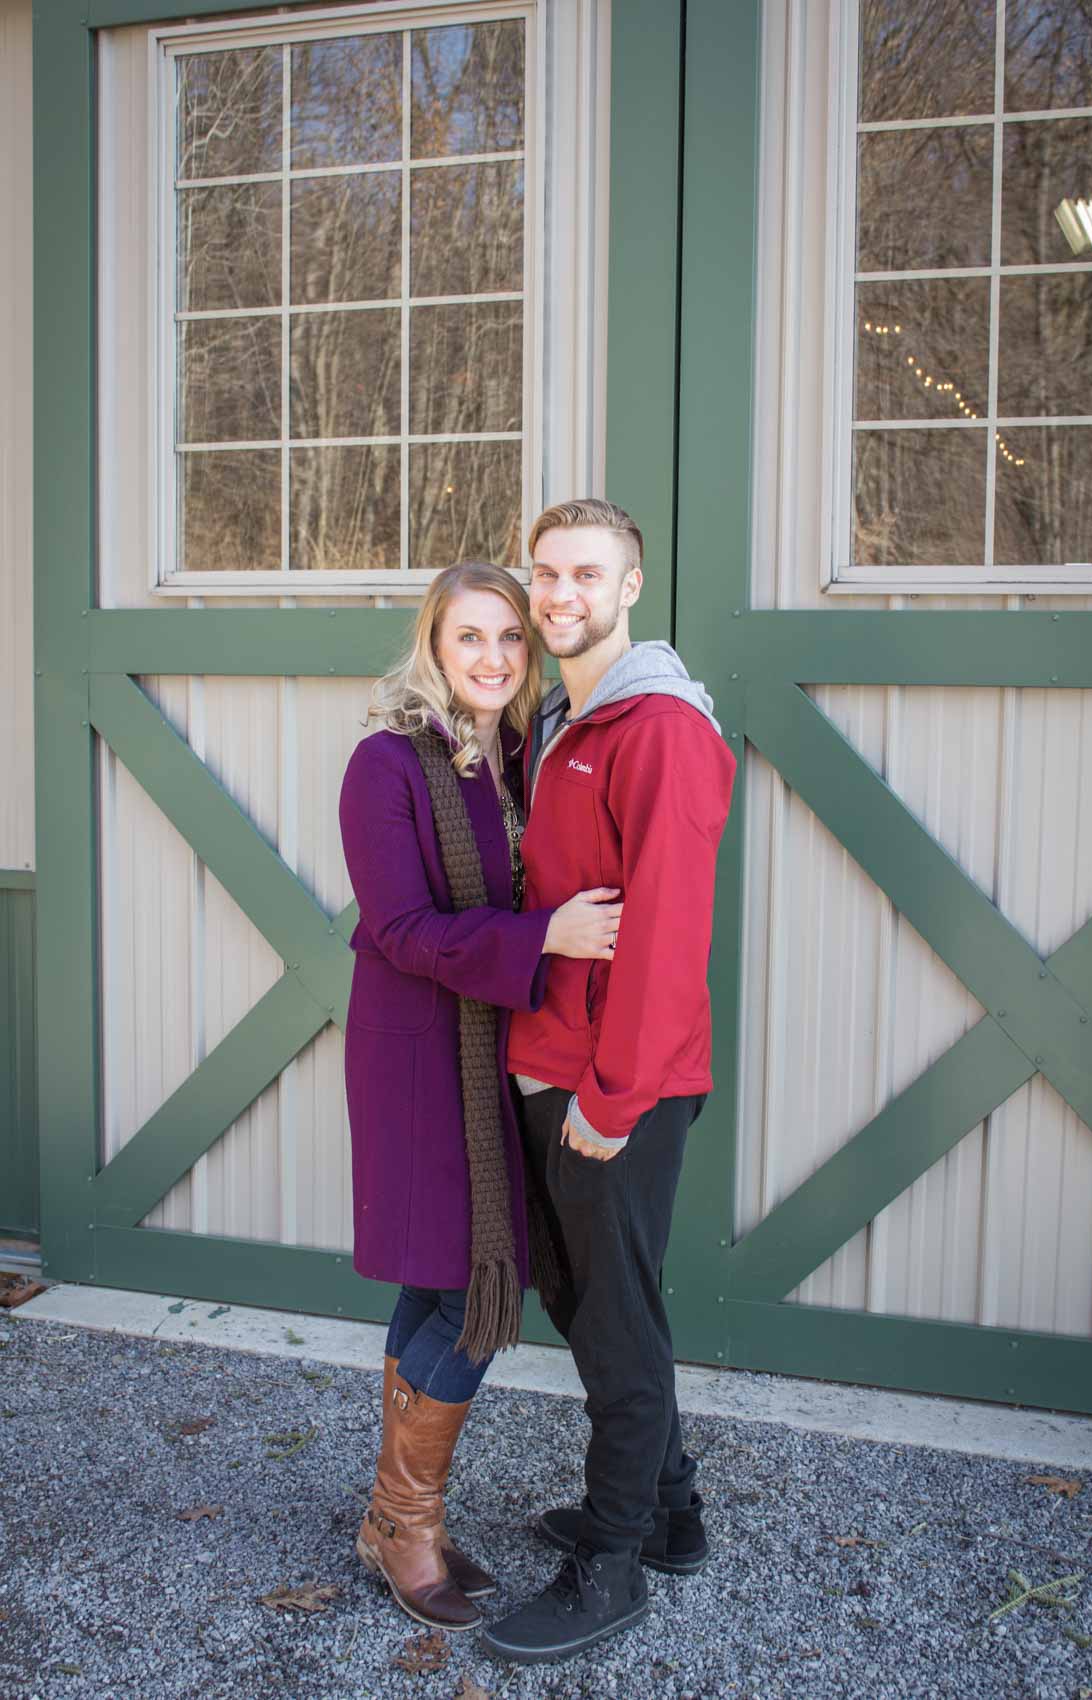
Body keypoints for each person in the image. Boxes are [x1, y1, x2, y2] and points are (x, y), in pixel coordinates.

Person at [338, 561, 623, 1635]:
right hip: (417, 1057)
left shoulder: (514, 755)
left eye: (511, 637)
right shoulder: (385, 762)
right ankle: (406, 1521)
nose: (495, 657)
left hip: (490, 1051)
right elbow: (402, 927)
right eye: (470, 637)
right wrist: (542, 937)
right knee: (464, 1286)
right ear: (433, 644)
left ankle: (388, 1516)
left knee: (434, 1277)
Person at [482, 501, 736, 1664]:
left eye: (585, 572)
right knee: (588, 1303)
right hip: (551, 1059)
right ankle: (671, 1513)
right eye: (543, 572)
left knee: (616, 1321)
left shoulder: (660, 729)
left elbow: (667, 935)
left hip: (613, 1083)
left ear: (629, 585)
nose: (557, 592)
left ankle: (612, 1559)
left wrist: (613, 1093)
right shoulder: (556, 721)